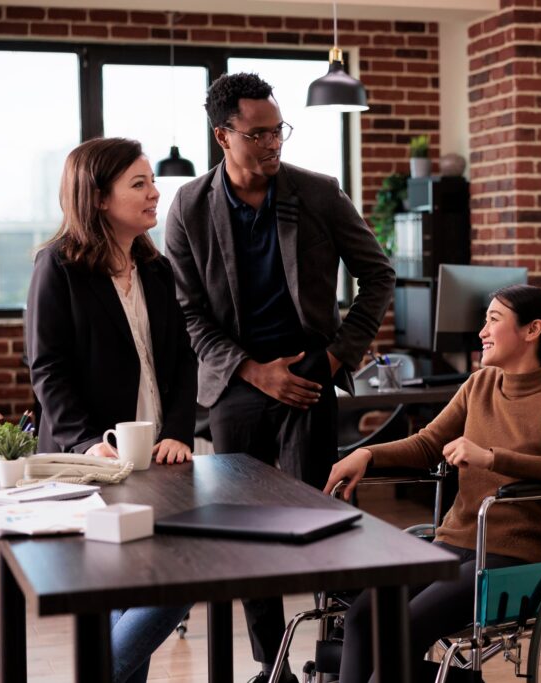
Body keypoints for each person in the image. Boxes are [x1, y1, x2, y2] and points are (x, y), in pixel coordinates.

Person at [163, 72, 395, 682]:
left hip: (312, 377)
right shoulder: (188, 207)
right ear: (223, 135)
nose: (273, 144)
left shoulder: (318, 193)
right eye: (258, 134)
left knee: (324, 521)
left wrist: (339, 356)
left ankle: (339, 659)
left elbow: (378, 276)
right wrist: (252, 371)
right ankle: (273, 665)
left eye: (278, 131)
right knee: (250, 536)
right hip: (237, 387)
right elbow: (189, 312)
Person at [325, 284, 541, 682]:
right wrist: (367, 454)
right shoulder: (478, 385)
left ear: (532, 329)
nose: (482, 332)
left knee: (406, 627)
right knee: (363, 616)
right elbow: (427, 445)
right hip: (453, 541)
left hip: (515, 554)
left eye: (493, 320)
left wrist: (491, 457)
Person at [25, 137, 197, 683]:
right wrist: (84, 443)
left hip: (158, 461)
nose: (155, 193)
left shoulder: (156, 269)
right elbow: (48, 368)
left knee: (171, 584)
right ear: (99, 198)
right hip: (90, 463)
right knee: (122, 598)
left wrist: (177, 431)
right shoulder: (57, 266)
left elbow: (183, 362)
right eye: (139, 184)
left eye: (152, 181)